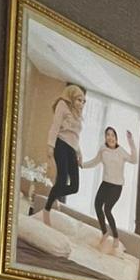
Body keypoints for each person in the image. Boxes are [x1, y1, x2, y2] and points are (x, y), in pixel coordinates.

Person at [80, 126, 137, 254]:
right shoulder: (103, 149)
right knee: (97, 205)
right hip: (105, 184)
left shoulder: (121, 151)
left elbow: (134, 160)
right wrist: (82, 165)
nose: (110, 137)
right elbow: (95, 162)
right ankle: (105, 232)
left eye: (112, 135)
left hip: (116, 186)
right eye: (108, 135)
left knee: (107, 209)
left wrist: (131, 142)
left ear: (116, 138)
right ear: (105, 137)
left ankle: (115, 236)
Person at [35, 83, 86, 222]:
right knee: (62, 180)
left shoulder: (78, 114)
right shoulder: (62, 105)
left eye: (83, 101)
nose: (81, 104)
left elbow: (75, 136)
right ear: (71, 97)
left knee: (74, 187)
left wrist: (80, 155)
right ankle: (46, 210)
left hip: (72, 149)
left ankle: (54, 195)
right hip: (61, 144)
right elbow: (55, 126)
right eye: (79, 100)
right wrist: (50, 146)